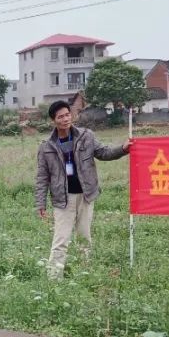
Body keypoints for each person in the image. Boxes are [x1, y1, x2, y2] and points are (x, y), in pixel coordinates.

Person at [35, 100, 130, 278]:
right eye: (60, 117)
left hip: (86, 195)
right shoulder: (46, 146)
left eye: (67, 114)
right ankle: (54, 279)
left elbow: (104, 152)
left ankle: (83, 274)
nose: (65, 119)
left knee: (84, 237)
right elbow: (42, 177)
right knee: (61, 240)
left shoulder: (86, 136)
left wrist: (123, 149)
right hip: (63, 199)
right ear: (53, 120)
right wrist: (40, 203)